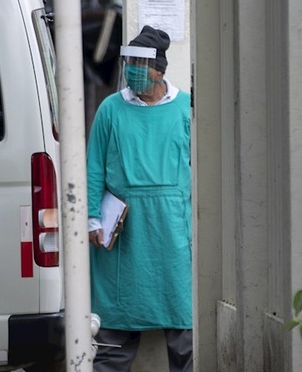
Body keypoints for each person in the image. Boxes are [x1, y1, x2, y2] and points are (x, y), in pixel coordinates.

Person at [86, 25, 192, 371]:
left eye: (138, 63)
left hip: (174, 227)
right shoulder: (111, 110)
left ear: (159, 70)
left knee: (184, 324)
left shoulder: (186, 109)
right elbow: (93, 168)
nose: (130, 69)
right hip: (123, 229)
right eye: (128, 61)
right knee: (115, 326)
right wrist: (91, 217)